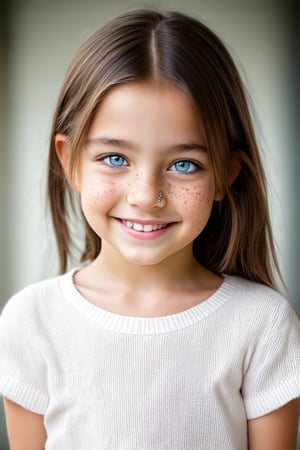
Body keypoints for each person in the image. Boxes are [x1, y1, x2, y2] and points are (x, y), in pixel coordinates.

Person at [0, 8, 299, 450]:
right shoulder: (31, 320)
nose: (146, 195)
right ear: (69, 162)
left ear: (226, 175)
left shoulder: (263, 324)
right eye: (115, 158)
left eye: (184, 165)